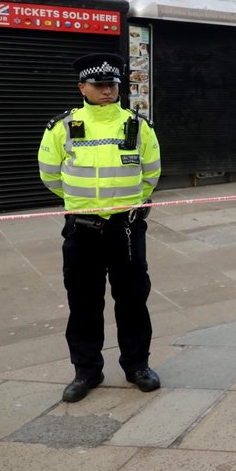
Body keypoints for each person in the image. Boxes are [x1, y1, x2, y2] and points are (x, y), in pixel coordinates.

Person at [38, 53, 162, 403]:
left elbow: (151, 175)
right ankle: (86, 371)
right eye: (99, 85)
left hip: (126, 228)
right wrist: (82, 204)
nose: (108, 90)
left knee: (133, 300)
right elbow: (49, 175)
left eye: (113, 84)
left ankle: (137, 366)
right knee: (83, 303)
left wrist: (122, 206)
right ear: (83, 87)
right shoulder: (63, 127)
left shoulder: (138, 125)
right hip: (82, 230)